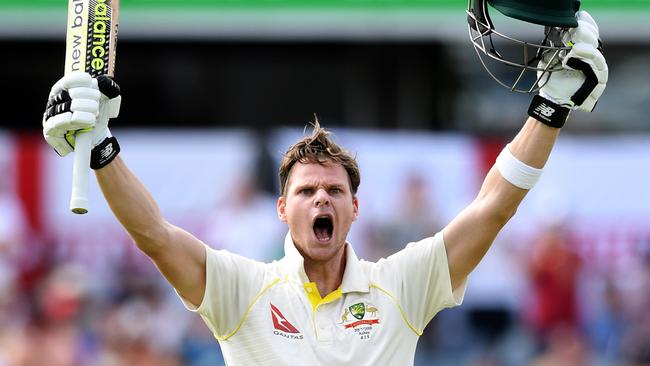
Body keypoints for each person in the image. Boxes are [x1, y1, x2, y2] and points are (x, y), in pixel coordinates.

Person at [40, 7, 607, 366]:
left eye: (334, 191)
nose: (322, 200)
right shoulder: (243, 289)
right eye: (308, 192)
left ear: (355, 208)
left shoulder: (400, 287)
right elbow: (155, 235)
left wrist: (550, 107)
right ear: (283, 208)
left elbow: (490, 210)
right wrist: (101, 147)